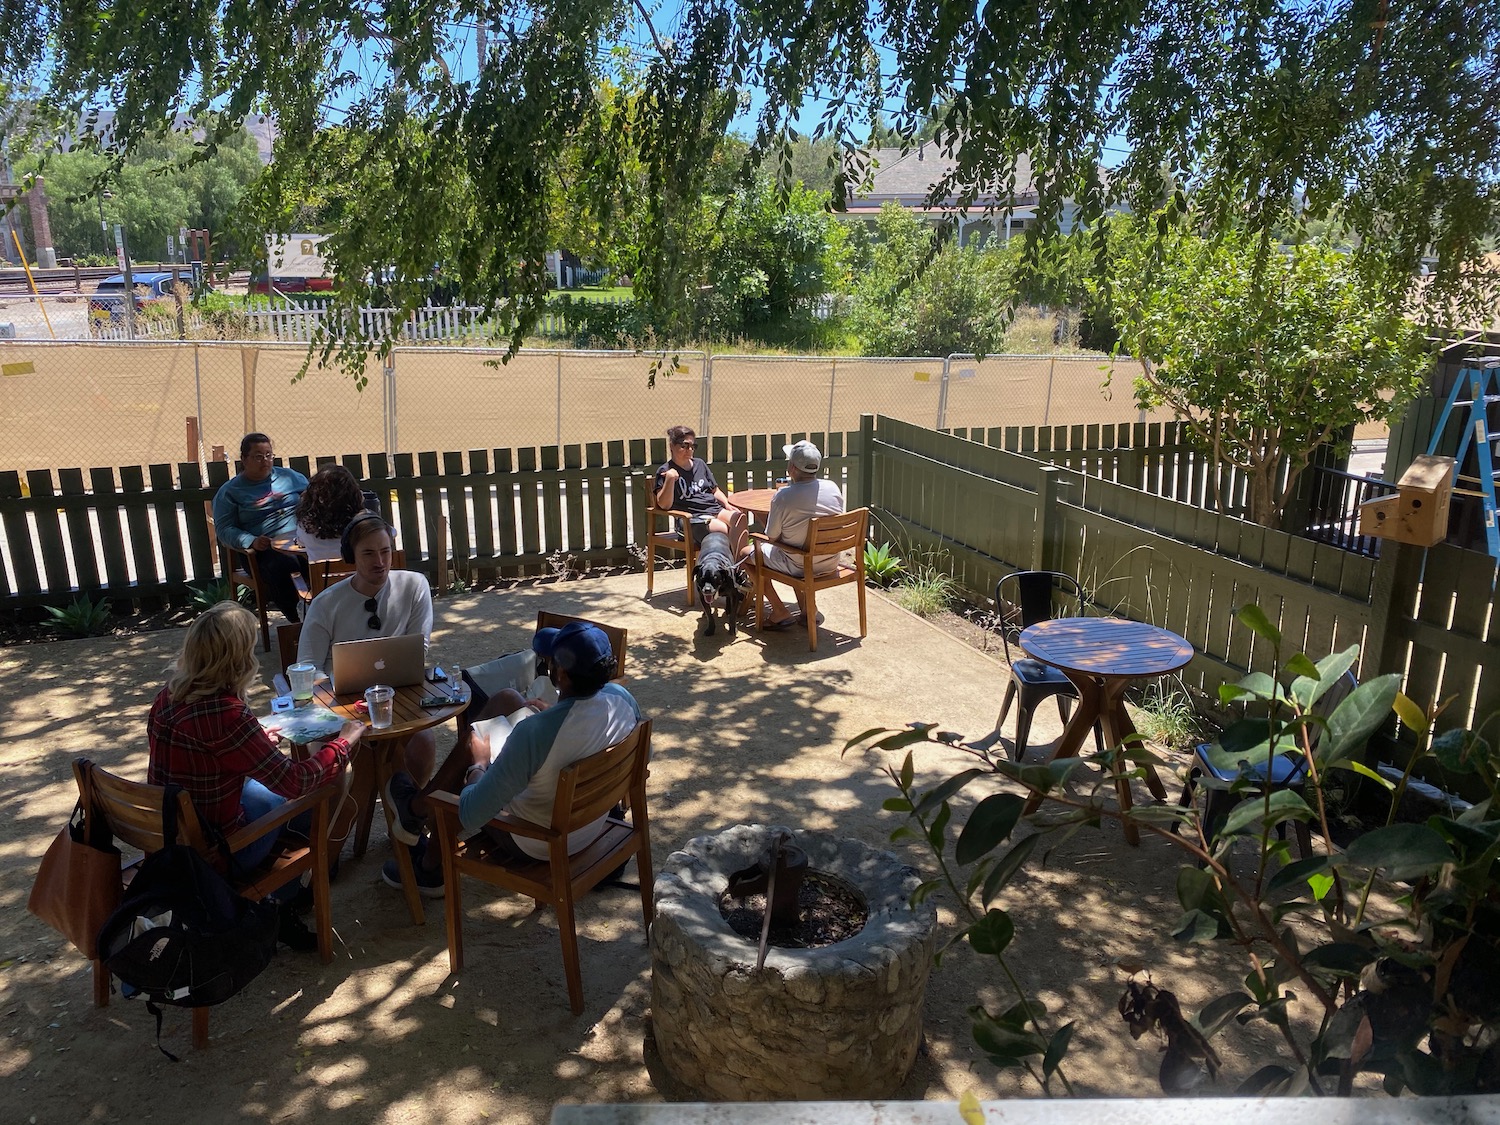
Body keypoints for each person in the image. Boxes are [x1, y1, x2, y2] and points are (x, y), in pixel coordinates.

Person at [147, 602, 366, 950]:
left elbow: (201, 755)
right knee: (324, 802)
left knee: (274, 798)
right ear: (237, 660)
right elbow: (297, 780)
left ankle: (285, 899)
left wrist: (255, 742)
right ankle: (281, 906)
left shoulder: (168, 696)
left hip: (170, 838)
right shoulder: (227, 714)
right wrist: (344, 742)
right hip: (214, 855)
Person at [380, 622, 640, 896]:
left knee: (473, 745)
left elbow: (471, 811)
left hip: (537, 841)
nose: (546, 663)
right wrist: (555, 712)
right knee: (507, 700)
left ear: (561, 674)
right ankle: (417, 811)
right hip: (590, 822)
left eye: (550, 660)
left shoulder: (535, 733)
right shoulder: (622, 699)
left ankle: (430, 864)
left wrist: (478, 765)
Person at [298, 511, 439, 784]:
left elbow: (417, 650)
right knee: (333, 760)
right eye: (368, 554)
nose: (380, 561)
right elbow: (307, 666)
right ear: (351, 556)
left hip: (396, 697)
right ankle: (342, 820)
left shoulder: (414, 585)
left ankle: (406, 815)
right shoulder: (327, 603)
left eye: (385, 551)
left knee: (423, 740)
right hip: (338, 707)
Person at [741, 439, 846, 629]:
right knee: (795, 549)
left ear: (791, 468)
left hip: (800, 565)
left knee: (745, 554)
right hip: (830, 561)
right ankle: (808, 610)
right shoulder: (833, 487)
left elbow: (771, 538)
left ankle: (779, 611)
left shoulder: (783, 496)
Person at [212, 432, 308, 622]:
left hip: (301, 541)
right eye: (258, 456)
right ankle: (297, 620)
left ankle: (325, 614)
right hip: (264, 551)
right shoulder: (230, 492)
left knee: (322, 559)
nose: (265, 460)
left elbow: (315, 496)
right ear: (244, 459)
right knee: (287, 566)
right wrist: (252, 541)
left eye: (269, 455)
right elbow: (224, 530)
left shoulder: (290, 477)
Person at [654, 425, 746, 551]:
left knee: (739, 518)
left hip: (714, 510)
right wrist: (670, 479)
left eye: (692, 446)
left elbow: (715, 490)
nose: (689, 450)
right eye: (684, 446)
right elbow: (664, 505)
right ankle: (735, 566)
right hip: (692, 519)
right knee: (724, 529)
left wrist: (727, 504)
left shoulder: (700, 464)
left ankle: (738, 565)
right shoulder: (665, 471)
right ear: (671, 446)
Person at [295, 464, 367, 564]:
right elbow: (391, 532)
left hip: (322, 578)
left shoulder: (305, 525)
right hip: (358, 578)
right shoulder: (363, 524)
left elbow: (300, 542)